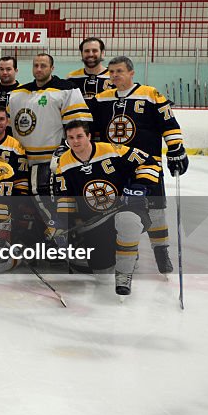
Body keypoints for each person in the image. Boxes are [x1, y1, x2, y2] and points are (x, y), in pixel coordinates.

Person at [90, 56, 188, 274]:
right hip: (115, 168)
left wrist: (176, 149)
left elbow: (169, 123)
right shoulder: (101, 99)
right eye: (112, 72)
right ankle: (127, 252)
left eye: (119, 71)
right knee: (120, 212)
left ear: (131, 73)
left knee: (155, 210)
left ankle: (161, 251)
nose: (115, 75)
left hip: (147, 165)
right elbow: (91, 130)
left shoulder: (150, 94)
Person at [53, 120, 160, 296]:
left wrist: (139, 187)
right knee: (102, 275)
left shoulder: (112, 150)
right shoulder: (64, 163)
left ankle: (124, 273)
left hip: (124, 208)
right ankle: (124, 250)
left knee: (128, 221)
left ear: (88, 136)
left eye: (79, 136)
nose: (75, 141)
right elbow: (65, 197)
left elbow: (149, 162)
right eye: (71, 138)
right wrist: (63, 222)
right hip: (94, 221)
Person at [6, 53, 91, 211]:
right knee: (26, 208)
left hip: (52, 163)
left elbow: (78, 126)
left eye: (43, 66)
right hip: (22, 162)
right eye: (36, 65)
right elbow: (9, 127)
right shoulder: (17, 94)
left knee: (53, 206)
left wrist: (65, 151)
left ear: (52, 68)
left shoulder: (67, 89)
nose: (39, 69)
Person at [66, 37, 113, 106]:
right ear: (81, 53)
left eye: (94, 51)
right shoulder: (71, 78)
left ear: (102, 53)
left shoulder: (114, 77)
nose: (90, 54)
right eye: (87, 51)